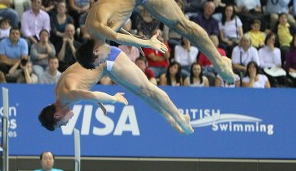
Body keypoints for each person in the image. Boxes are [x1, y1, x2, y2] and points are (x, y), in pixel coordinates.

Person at [83, 0, 235, 83]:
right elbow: (114, 27)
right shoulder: (92, 30)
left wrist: (146, 43)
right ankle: (219, 60)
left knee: (184, 26)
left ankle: (220, 63)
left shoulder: (98, 27)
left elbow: (115, 37)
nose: (105, 58)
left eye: (100, 61)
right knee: (183, 28)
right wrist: (136, 38)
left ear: (96, 52)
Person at [38, 42, 193, 134]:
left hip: (109, 59)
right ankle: (170, 118)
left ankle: (180, 118)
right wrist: (99, 104)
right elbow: (82, 83)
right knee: (141, 94)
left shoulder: (68, 96)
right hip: (106, 67)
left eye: (61, 124)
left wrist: (113, 99)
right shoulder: (59, 93)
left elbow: (92, 95)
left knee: (148, 88)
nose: (65, 124)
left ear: (57, 116)